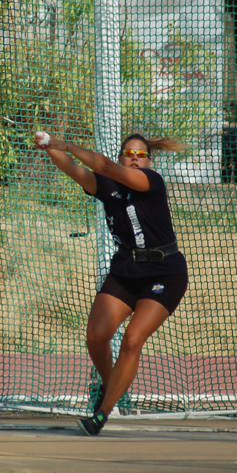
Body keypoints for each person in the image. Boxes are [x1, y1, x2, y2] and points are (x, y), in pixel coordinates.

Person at [33, 130, 188, 435]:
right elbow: (75, 170)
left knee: (132, 340)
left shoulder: (151, 182)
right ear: (121, 157)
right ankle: (112, 387)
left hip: (164, 272)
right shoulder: (108, 187)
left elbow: (101, 165)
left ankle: (101, 415)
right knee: (96, 336)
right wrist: (50, 147)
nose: (133, 158)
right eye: (128, 153)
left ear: (149, 161)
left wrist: (67, 144)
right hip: (127, 269)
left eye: (140, 154)